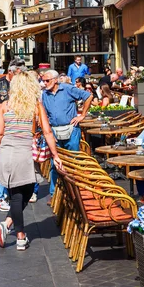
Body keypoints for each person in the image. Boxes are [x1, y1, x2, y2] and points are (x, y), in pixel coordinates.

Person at [0, 72, 63, 250]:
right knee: (24, 193)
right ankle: (20, 237)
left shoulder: (5, 106)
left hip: (7, 151)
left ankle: (7, 225)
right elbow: (47, 132)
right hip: (24, 153)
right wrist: (55, 154)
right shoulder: (36, 106)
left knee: (17, 193)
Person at [42, 69, 93, 203]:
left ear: (55, 80)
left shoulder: (67, 89)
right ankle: (54, 194)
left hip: (71, 129)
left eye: (47, 80)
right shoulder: (44, 94)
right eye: (43, 80)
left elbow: (88, 96)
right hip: (54, 130)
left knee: (73, 161)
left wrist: (82, 115)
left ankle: (74, 192)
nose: (44, 83)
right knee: (55, 163)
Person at [0, 58, 27, 212]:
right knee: (0, 162)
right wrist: (8, 106)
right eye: (18, 72)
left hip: (21, 128)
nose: (20, 75)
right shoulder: (0, 84)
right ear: (10, 71)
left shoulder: (23, 84)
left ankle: (17, 192)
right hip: (3, 129)